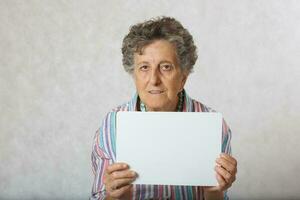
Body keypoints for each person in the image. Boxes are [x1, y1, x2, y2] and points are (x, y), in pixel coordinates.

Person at [90, 16, 237, 200]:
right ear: (133, 74)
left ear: (183, 77)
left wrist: (215, 190)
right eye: (144, 67)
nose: (154, 80)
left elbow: (216, 196)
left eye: (165, 67)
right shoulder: (111, 126)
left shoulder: (213, 127)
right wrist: (114, 195)